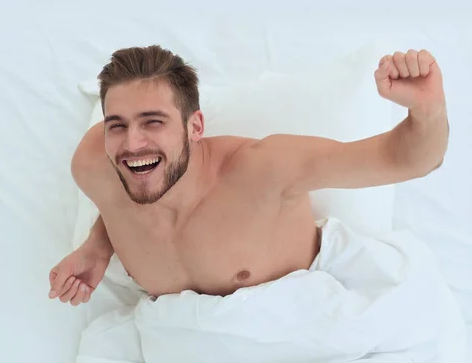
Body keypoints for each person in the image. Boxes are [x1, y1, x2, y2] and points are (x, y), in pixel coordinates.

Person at [49, 44, 448, 304]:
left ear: (195, 127)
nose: (132, 144)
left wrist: (427, 108)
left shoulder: (264, 169)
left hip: (308, 354)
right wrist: (98, 246)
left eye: (153, 122)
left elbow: (408, 159)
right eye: (117, 125)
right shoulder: (94, 164)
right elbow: (125, 196)